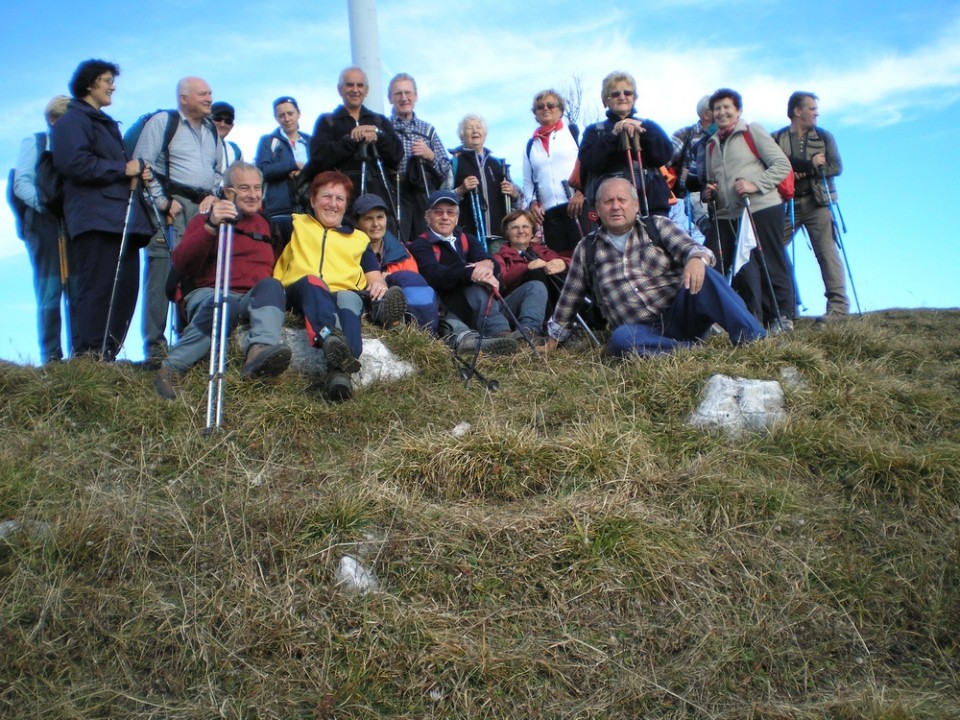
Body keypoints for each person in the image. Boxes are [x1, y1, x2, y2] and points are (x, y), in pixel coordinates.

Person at [542, 178, 765, 357]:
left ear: (635, 205)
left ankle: (753, 339)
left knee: (704, 273)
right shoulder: (586, 249)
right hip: (641, 330)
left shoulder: (656, 226)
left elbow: (692, 248)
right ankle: (689, 352)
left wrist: (697, 259)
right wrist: (553, 341)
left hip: (681, 314)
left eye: (622, 199)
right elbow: (569, 299)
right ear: (598, 209)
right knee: (620, 340)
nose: (616, 206)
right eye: (608, 202)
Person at [155, 162, 291, 399]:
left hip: (252, 296)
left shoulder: (268, 225)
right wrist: (211, 226)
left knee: (272, 285)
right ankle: (172, 367)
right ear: (228, 191)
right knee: (224, 304)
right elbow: (182, 262)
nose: (253, 194)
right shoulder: (205, 220)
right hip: (210, 292)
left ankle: (258, 351)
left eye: (257, 188)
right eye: (245, 188)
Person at [51, 59, 154, 359]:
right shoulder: (73, 121)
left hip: (121, 220)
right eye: (107, 79)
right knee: (97, 288)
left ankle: (106, 354)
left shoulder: (102, 123)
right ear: (89, 83)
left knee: (124, 291)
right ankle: (88, 355)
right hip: (96, 220)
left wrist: (135, 173)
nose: (113, 85)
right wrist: (123, 169)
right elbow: (74, 164)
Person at [273, 171, 388, 402]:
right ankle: (329, 336)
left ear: (346, 206)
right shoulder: (293, 224)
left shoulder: (358, 238)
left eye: (340, 199)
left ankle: (340, 373)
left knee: (349, 299)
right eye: (327, 196)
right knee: (313, 282)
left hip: (343, 291)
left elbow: (374, 276)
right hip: (301, 290)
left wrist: (378, 285)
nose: (333, 204)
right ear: (313, 200)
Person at [133, 76, 223, 365]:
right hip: (169, 207)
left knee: (195, 272)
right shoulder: (163, 122)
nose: (210, 98)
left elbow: (218, 171)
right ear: (184, 98)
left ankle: (186, 342)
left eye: (210, 93)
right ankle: (155, 348)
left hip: (202, 208)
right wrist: (161, 201)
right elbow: (142, 165)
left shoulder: (211, 130)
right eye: (203, 94)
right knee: (161, 274)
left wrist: (213, 195)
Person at [702, 88, 796, 332]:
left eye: (727, 107)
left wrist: (756, 185)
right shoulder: (711, 145)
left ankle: (783, 316)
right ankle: (749, 316)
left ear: (738, 110)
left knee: (770, 260)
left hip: (762, 206)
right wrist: (710, 193)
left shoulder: (751, 131)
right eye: (717, 108)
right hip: (729, 213)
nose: (721, 112)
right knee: (732, 265)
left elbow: (782, 165)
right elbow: (714, 180)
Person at [410, 190, 544, 355]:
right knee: (475, 286)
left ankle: (528, 333)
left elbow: (492, 263)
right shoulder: (421, 245)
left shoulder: (468, 239)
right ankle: (500, 334)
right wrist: (471, 272)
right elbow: (435, 275)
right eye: (439, 212)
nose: (445, 217)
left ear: (456, 217)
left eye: (450, 212)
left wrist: (486, 267)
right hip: (456, 308)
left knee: (535, 287)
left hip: (489, 305)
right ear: (427, 216)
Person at [775, 91, 849, 322]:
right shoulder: (776, 138)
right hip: (787, 204)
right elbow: (773, 166)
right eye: (812, 108)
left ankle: (837, 309)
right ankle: (784, 307)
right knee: (771, 250)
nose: (817, 113)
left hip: (817, 202)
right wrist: (808, 166)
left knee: (827, 253)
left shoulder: (825, 136)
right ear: (798, 111)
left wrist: (808, 170)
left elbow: (836, 167)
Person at [13, 95, 75, 363]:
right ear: (53, 120)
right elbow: (21, 182)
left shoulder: (74, 148)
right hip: (43, 223)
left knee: (75, 287)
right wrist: (44, 205)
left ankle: (79, 354)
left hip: (70, 221)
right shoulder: (36, 143)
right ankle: (51, 355)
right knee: (50, 287)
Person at [304, 67, 403, 221]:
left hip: (377, 203)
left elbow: (397, 155)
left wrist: (378, 137)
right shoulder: (327, 121)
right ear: (340, 89)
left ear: (366, 90)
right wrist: (350, 140)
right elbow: (318, 160)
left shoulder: (380, 121)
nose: (355, 90)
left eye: (360, 85)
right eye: (350, 85)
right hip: (341, 205)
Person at [578, 71, 674, 215]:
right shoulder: (595, 132)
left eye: (628, 93)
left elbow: (664, 155)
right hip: (613, 209)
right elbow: (590, 162)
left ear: (634, 98)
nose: (622, 97)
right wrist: (613, 136)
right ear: (605, 100)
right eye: (615, 94)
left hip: (652, 206)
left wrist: (643, 131)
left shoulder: (649, 126)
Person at [353, 193, 438, 332]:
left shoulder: (401, 252)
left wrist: (389, 279)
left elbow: (415, 290)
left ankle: (423, 332)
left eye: (380, 217)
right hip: (365, 307)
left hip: (407, 314)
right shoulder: (348, 249)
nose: (376, 224)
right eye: (368, 218)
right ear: (357, 223)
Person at [387, 73, 451, 243]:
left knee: (427, 243)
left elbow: (446, 170)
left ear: (416, 96)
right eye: (398, 94)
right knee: (399, 242)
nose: (404, 98)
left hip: (423, 194)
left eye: (408, 93)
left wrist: (430, 155)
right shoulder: (384, 128)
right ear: (390, 99)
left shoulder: (427, 130)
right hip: (395, 194)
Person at [522, 89, 584, 259]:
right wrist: (532, 203)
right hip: (550, 214)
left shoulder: (573, 134)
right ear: (535, 114)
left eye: (551, 105)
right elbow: (527, 182)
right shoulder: (531, 145)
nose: (545, 109)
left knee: (584, 255)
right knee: (559, 259)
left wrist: (581, 192)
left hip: (577, 205)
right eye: (540, 107)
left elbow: (588, 166)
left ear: (560, 110)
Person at [450, 114, 521, 248]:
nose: (475, 131)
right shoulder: (455, 163)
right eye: (470, 128)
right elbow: (444, 197)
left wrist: (514, 193)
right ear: (462, 136)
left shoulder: (498, 165)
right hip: (468, 238)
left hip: (500, 237)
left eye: (478, 127)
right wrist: (461, 190)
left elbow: (518, 199)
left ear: (484, 133)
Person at [255, 96, 311, 247]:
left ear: (298, 113)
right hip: (279, 210)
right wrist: (293, 164)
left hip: (309, 211)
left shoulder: (310, 141)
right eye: (281, 115)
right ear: (276, 118)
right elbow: (262, 171)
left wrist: (303, 172)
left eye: (290, 113)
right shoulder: (269, 141)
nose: (287, 118)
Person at [494, 209, 568, 315]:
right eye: (515, 227)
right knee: (536, 273)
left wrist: (562, 263)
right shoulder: (499, 256)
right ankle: (547, 322)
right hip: (517, 303)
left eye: (525, 227)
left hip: (552, 298)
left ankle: (566, 318)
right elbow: (503, 280)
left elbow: (564, 261)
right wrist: (527, 267)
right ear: (507, 232)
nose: (521, 231)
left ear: (532, 231)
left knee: (557, 271)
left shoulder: (542, 250)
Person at [670, 95, 713, 241]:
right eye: (717, 108)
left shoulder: (726, 136)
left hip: (720, 192)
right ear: (706, 114)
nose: (722, 112)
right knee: (711, 230)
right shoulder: (685, 134)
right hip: (693, 195)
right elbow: (662, 161)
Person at [211, 101, 243, 171]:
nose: (222, 124)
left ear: (232, 126)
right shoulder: (192, 144)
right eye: (217, 118)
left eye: (228, 121)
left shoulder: (235, 151)